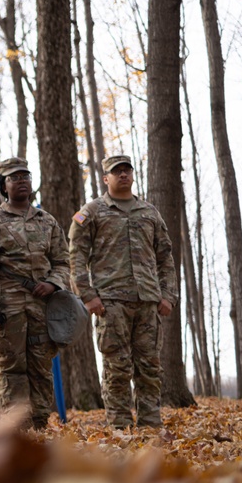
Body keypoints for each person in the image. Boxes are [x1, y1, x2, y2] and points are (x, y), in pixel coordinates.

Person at [69, 154, 176, 429]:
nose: (123, 175)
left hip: (147, 302)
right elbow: (76, 255)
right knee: (117, 369)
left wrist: (168, 295)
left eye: (127, 170)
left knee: (150, 368)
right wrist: (87, 294)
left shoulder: (150, 212)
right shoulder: (91, 212)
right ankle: (119, 426)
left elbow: (165, 257)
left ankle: (151, 424)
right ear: (106, 178)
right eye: (117, 171)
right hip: (111, 302)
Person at [0, 157, 70, 429]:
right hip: (8, 307)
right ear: (3, 186)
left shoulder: (47, 221)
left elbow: (63, 261)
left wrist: (53, 283)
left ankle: (41, 425)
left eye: (25, 176)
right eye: (14, 178)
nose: (21, 181)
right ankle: (16, 428)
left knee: (41, 368)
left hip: (42, 307)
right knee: (12, 369)